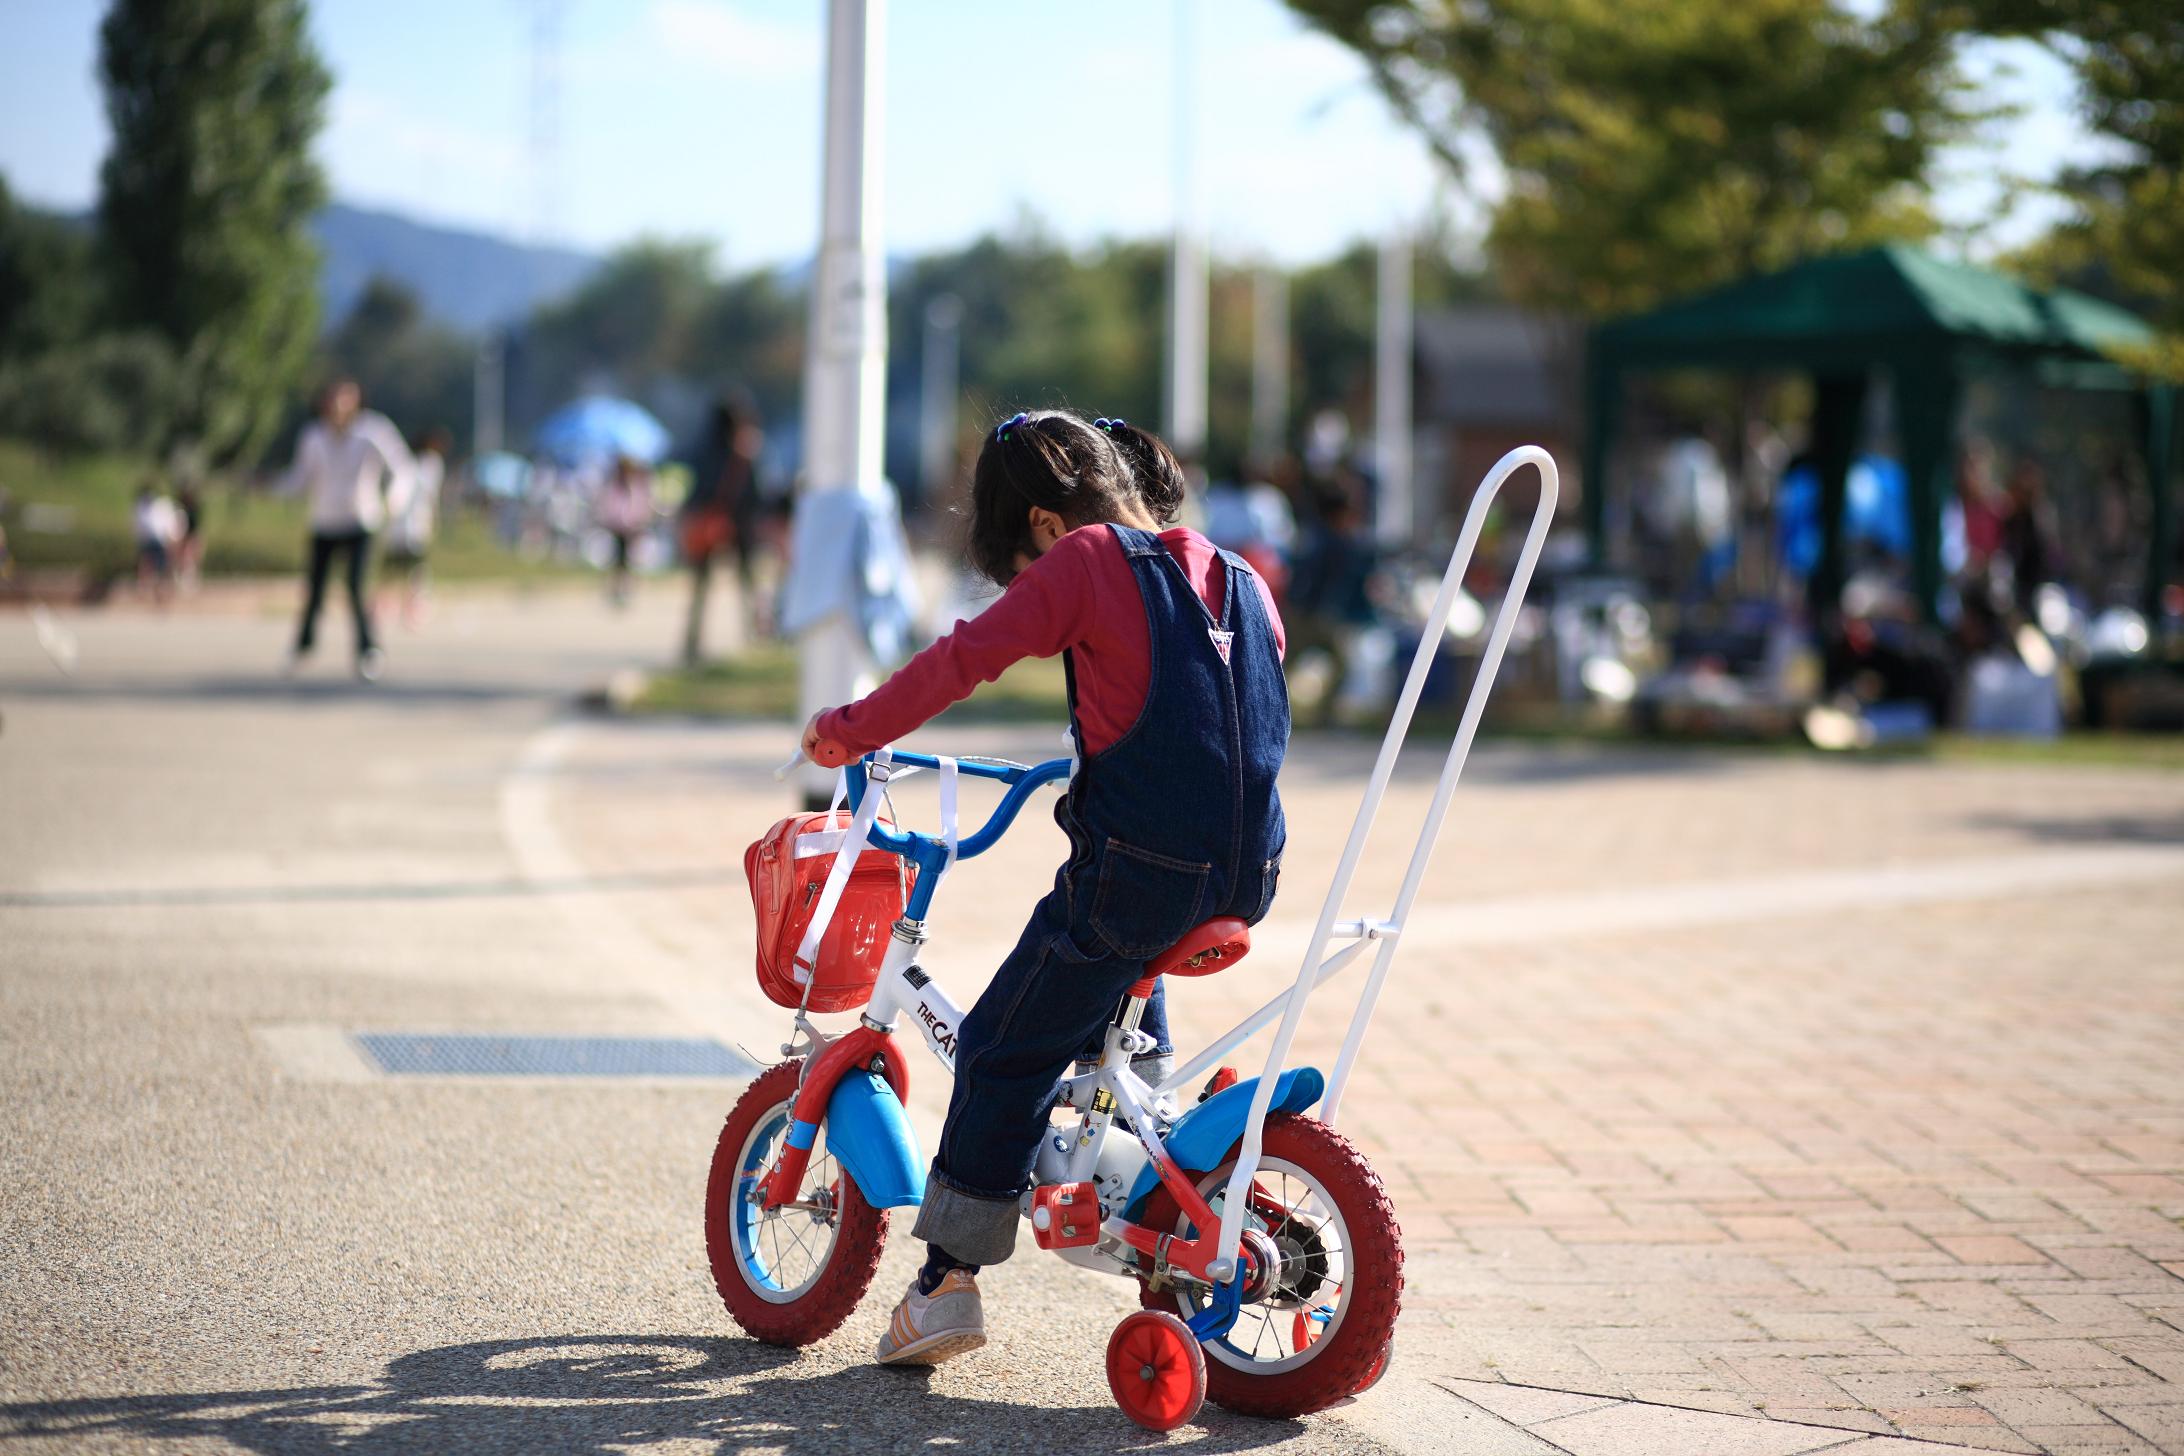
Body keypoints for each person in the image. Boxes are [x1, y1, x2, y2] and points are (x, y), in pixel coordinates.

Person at [800, 409, 1290, 1367]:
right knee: (1114, 986)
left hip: (1138, 873)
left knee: (1001, 1045)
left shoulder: (1086, 561)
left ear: (1040, 524)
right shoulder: (1239, 575)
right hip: (1248, 870)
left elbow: (961, 661)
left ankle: (947, 1284)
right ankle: (1148, 1176)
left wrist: (849, 731)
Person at [285, 377, 413, 681]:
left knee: (355, 588)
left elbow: (402, 469)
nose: (338, 406)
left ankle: (368, 651)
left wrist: (392, 502)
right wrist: (266, 486)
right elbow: (298, 478)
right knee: (314, 590)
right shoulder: (313, 436)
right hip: (324, 522)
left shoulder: (372, 431)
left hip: (360, 522)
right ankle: (303, 647)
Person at [681, 394, 765, 662]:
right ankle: (755, 637)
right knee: (748, 584)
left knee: (701, 589)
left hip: (709, 523)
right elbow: (756, 492)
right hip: (738, 524)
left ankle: (692, 644)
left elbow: (695, 491)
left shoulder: (703, 449)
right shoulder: (744, 450)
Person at [381, 427, 448, 629]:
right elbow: (424, 494)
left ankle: (400, 607)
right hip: (411, 526)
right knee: (411, 570)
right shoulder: (425, 465)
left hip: (406, 526)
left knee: (401, 569)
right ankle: (407, 607)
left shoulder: (417, 464)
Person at [596, 454, 655, 607]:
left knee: (630, 562)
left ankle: (627, 591)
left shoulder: (636, 485)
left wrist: (639, 521)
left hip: (632, 528)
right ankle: (616, 590)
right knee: (617, 561)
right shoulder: (615, 485)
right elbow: (609, 505)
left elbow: (641, 506)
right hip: (618, 528)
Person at [132, 483, 183, 604]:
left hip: (158, 541)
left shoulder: (157, 507)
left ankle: (161, 593)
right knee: (149, 566)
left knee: (161, 568)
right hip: (150, 541)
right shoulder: (141, 507)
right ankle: (147, 591)